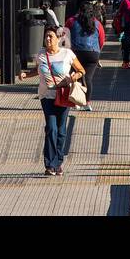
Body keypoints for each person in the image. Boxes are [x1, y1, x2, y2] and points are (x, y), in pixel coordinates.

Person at [36, 28, 85, 176]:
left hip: (63, 95)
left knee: (61, 130)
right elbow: (37, 69)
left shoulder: (67, 54)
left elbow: (81, 70)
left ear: (58, 39)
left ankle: (58, 162)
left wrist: (73, 77)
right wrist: (25, 74)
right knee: (51, 128)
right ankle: (50, 164)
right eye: (46, 37)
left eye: (51, 37)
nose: (48, 39)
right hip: (46, 96)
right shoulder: (41, 55)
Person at [66, 1, 106, 108]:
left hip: (76, 53)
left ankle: (76, 101)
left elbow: (65, 36)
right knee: (88, 78)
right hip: (93, 54)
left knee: (76, 76)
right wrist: (98, 51)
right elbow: (101, 40)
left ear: (79, 10)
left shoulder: (71, 21)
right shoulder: (97, 23)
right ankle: (87, 103)